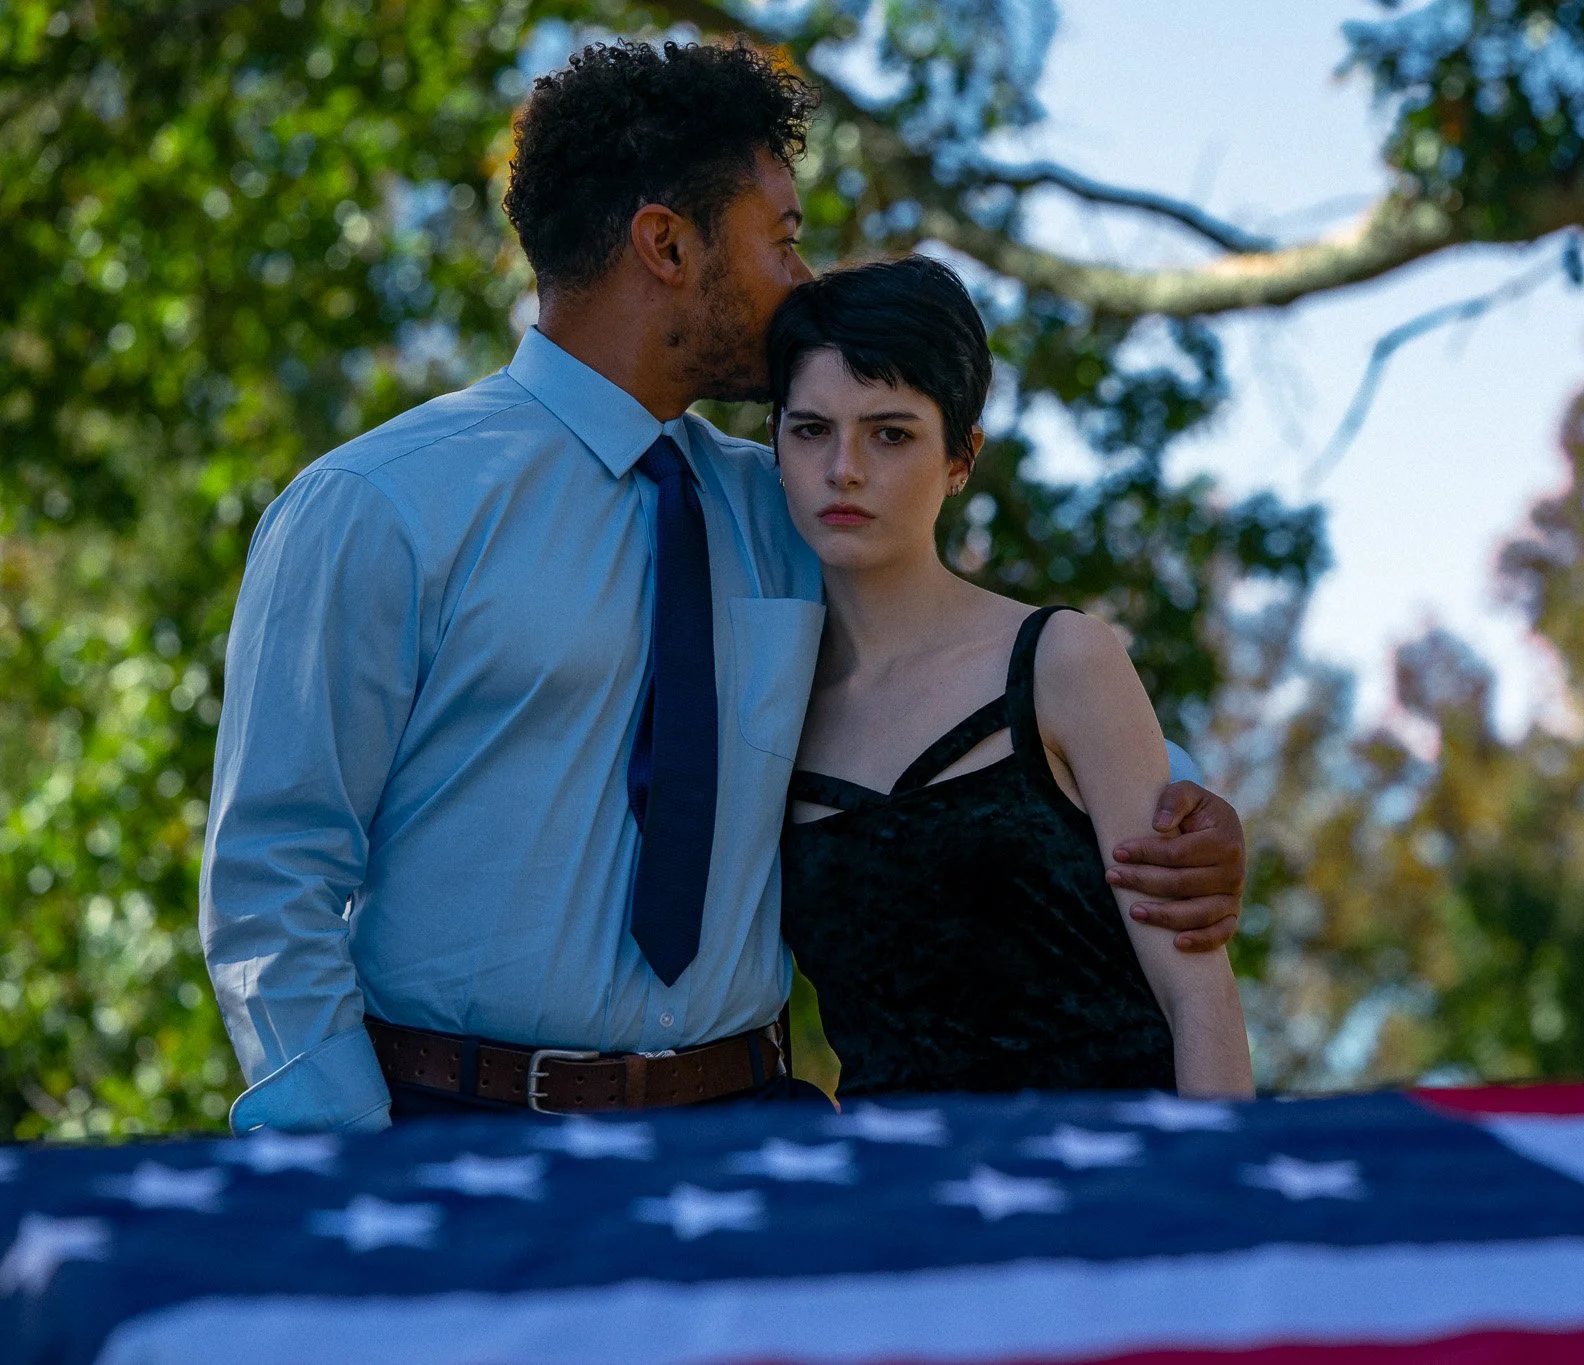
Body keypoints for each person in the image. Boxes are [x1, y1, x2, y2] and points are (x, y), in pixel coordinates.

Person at [200, 38, 1248, 1133]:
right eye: (781, 239)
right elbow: (275, 871)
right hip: (459, 1139)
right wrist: (342, 1168)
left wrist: (1176, 810)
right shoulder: (378, 508)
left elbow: (968, 673)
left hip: (749, 1135)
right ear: (666, 244)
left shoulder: (790, 506)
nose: (799, 280)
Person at [774, 256, 1255, 1099]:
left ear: (962, 457)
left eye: (890, 433)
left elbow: (1197, 991)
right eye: (811, 428)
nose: (843, 467)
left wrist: (1219, 1202)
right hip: (904, 1203)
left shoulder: (1063, 661)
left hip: (1120, 1183)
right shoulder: (768, 712)